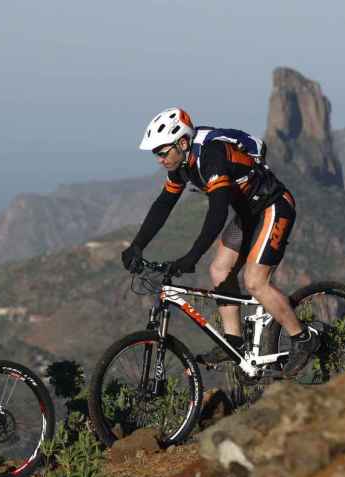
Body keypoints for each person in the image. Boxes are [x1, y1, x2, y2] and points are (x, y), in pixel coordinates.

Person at [121, 107, 319, 377]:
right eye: (156, 153)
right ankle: (233, 342)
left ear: (182, 142)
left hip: (274, 207)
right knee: (219, 270)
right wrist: (137, 245)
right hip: (249, 213)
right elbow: (164, 204)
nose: (159, 159)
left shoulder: (211, 155)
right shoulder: (180, 164)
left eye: (162, 151)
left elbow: (217, 213)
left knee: (255, 282)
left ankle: (303, 338)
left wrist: (192, 256)